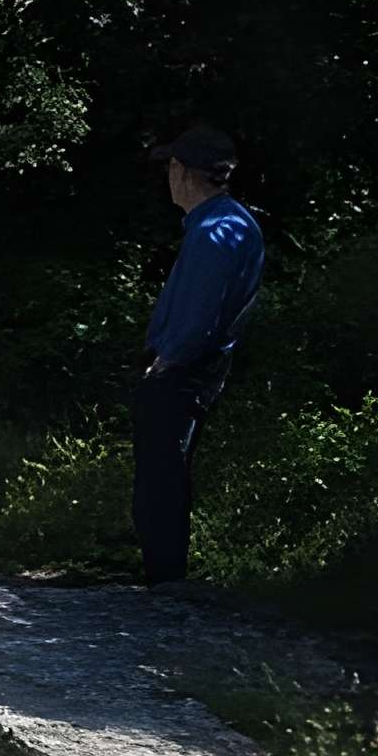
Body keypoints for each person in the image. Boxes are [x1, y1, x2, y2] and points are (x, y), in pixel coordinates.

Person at [132, 126, 263, 585]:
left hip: (184, 371)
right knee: (163, 479)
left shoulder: (216, 230)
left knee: (159, 485)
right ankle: (164, 582)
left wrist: (167, 361)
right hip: (191, 368)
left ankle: (164, 587)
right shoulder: (224, 223)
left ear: (182, 172)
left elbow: (201, 312)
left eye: (172, 167)